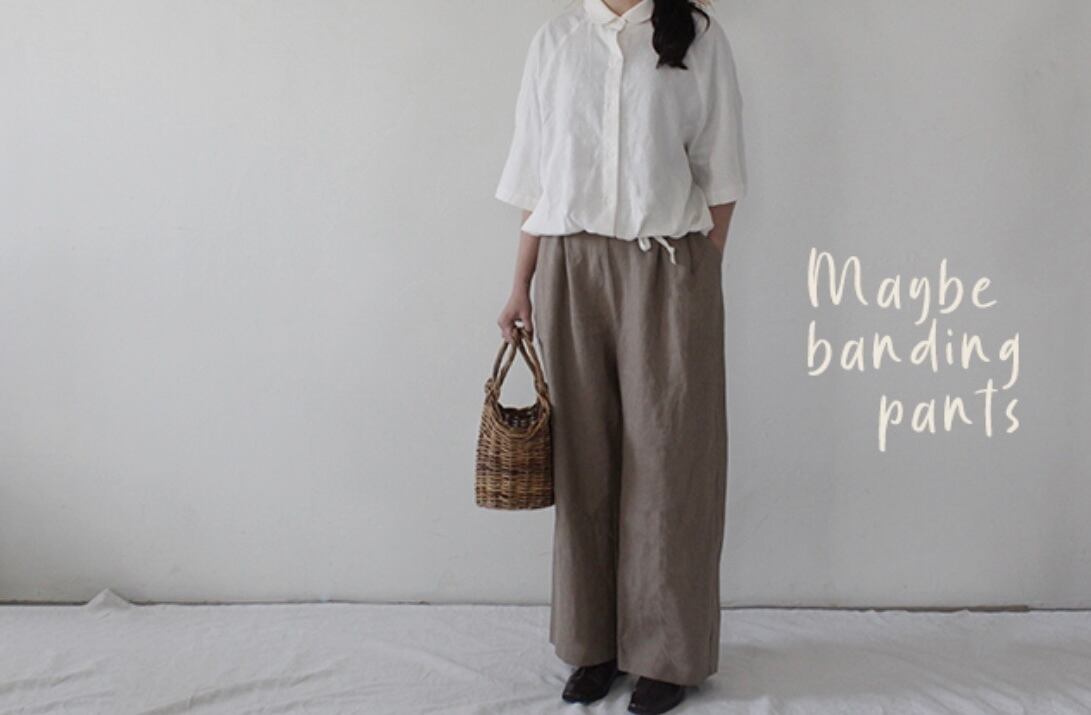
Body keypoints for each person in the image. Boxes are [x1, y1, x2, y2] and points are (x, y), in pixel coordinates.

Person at [494, 0, 747, 712]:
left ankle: (666, 654)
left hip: (667, 264)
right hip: (570, 266)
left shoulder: (696, 36)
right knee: (583, 459)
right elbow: (536, 176)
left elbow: (722, 169)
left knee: (670, 461)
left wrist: (700, 271)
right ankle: (593, 646)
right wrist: (519, 283)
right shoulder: (556, 41)